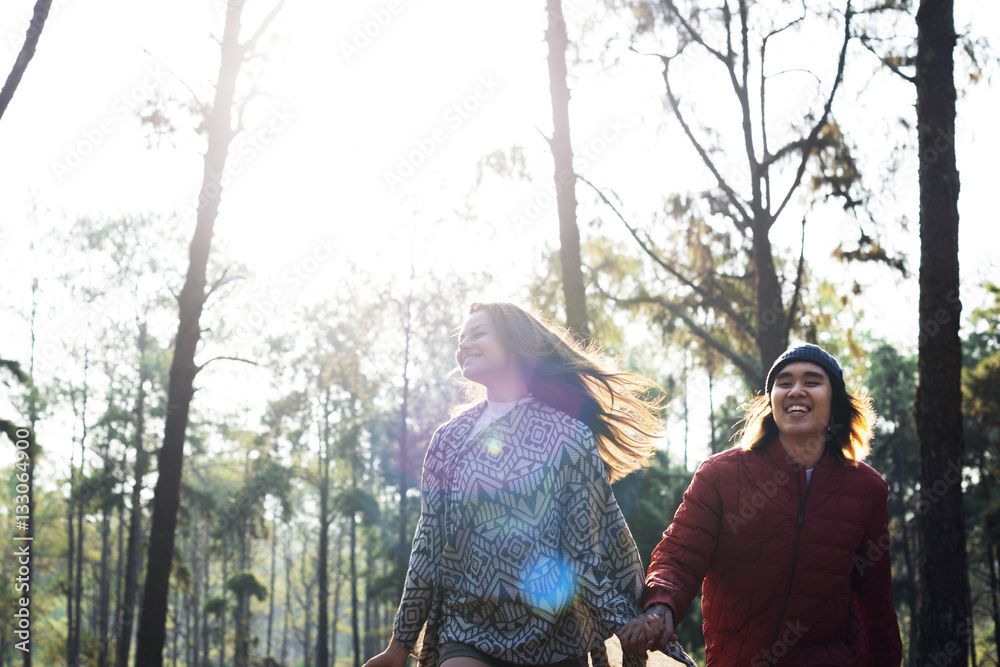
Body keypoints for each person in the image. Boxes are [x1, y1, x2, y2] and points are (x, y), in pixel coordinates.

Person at [364, 301, 675, 667]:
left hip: (556, 639)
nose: (464, 345)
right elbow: (428, 547)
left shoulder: (569, 436)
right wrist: (399, 647)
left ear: (516, 343)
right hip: (466, 630)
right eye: (461, 338)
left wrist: (624, 621)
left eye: (478, 333)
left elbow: (582, 554)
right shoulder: (448, 440)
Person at [618, 344, 903, 666]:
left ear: (835, 400)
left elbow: (876, 603)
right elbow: (680, 555)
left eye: (811, 381)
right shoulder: (720, 474)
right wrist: (660, 608)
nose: (796, 390)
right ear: (771, 401)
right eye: (784, 382)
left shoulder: (867, 488)